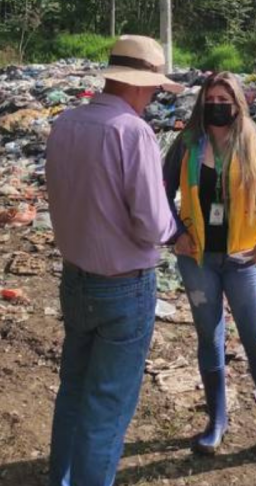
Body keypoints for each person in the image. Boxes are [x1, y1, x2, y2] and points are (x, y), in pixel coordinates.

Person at [46, 35, 183, 486]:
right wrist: (175, 232)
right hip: (124, 286)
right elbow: (149, 219)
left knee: (74, 390)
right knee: (107, 403)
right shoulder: (133, 131)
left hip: (75, 278)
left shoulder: (66, 122)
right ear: (142, 86)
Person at [162, 72, 256, 464]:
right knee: (209, 338)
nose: (218, 104)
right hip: (198, 260)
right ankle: (216, 422)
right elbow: (159, 190)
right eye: (211, 98)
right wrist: (174, 233)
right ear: (202, 102)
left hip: (245, 260)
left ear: (238, 102)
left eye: (225, 98)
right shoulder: (189, 143)